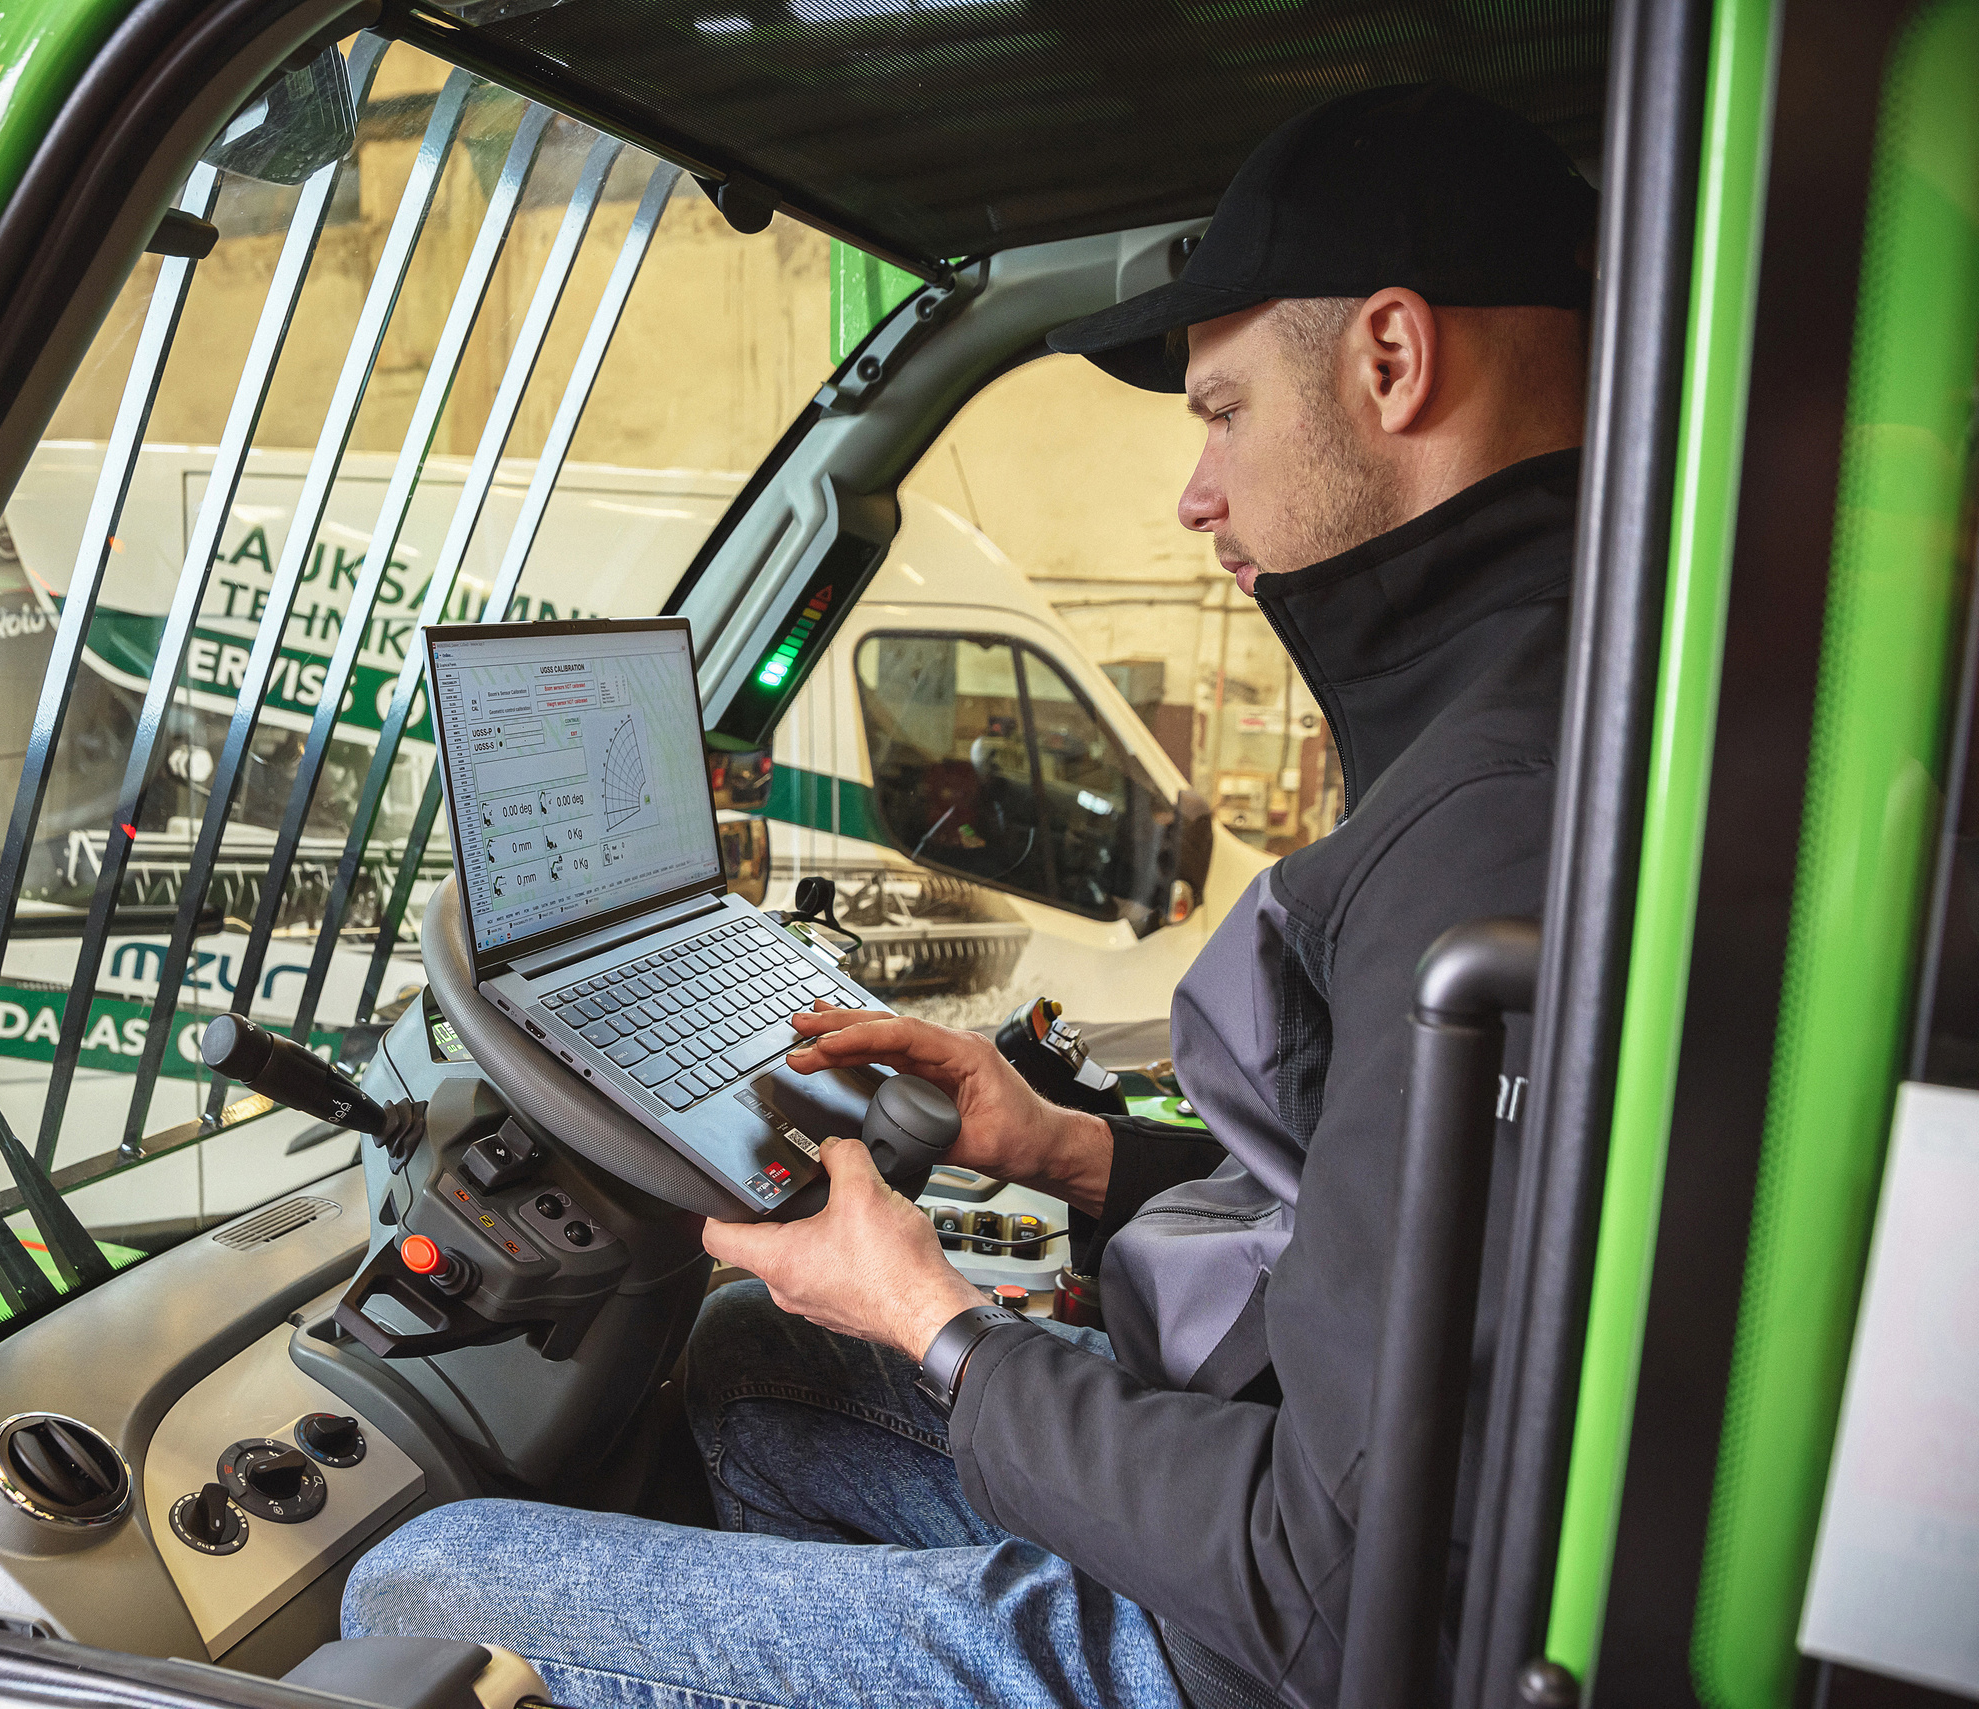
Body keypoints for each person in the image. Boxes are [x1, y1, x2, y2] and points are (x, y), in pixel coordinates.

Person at [342, 82, 1596, 1709]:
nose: (1196, 497)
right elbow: (1393, 1260)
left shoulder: (1487, 818)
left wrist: (937, 1318)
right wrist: (1062, 1146)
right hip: (1312, 1527)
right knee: (748, 1360)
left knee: (414, 1581)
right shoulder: (1570, 704)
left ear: (1393, 359)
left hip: (1246, 1650)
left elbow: (1322, 1581)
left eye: (1219, 414)